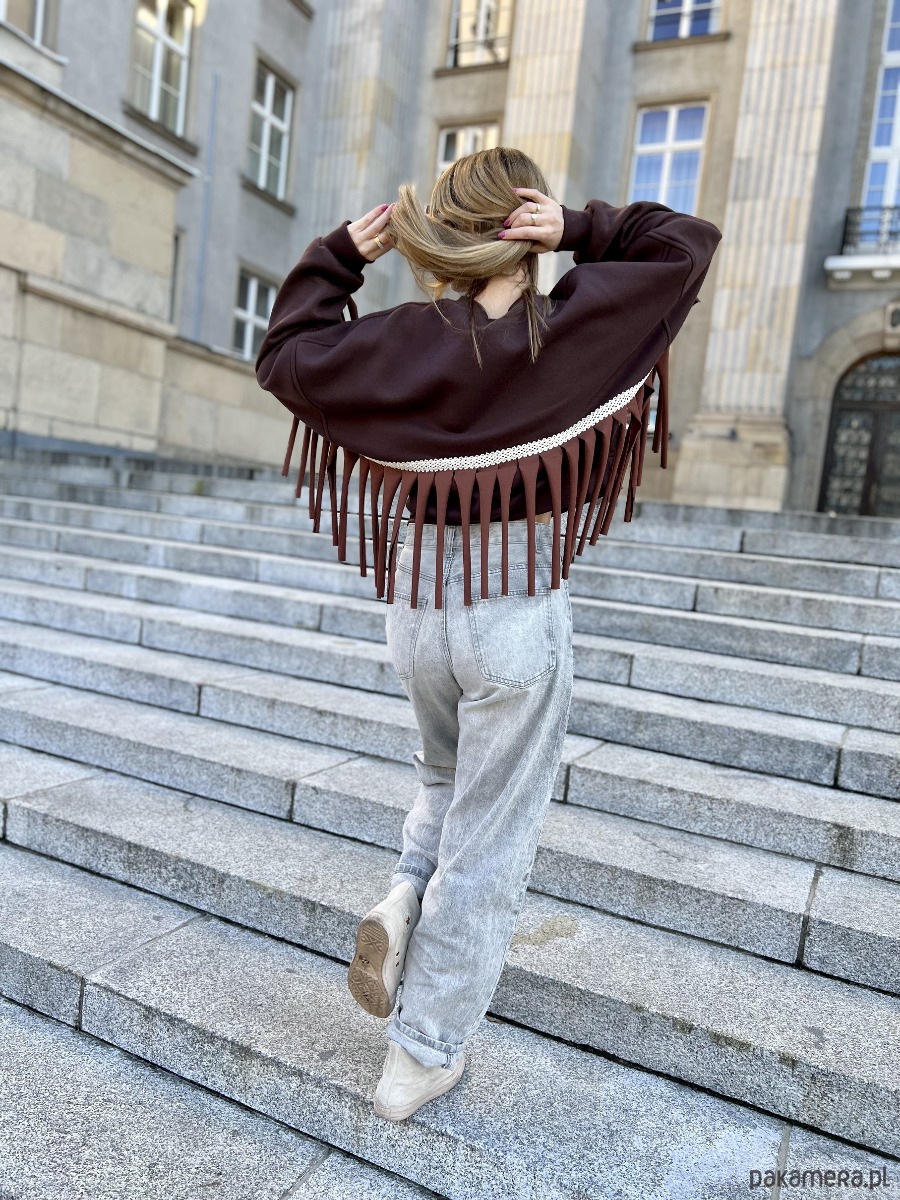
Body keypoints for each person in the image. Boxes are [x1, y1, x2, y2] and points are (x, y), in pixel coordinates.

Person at [255, 146, 722, 1123]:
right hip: (513, 602)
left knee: (443, 782)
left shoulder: (401, 343)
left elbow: (286, 354)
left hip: (416, 606)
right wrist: (583, 227)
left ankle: (402, 897)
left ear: (440, 239)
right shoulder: (580, 324)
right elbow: (685, 244)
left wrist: (339, 255)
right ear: (526, 228)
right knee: (492, 838)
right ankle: (420, 1054)